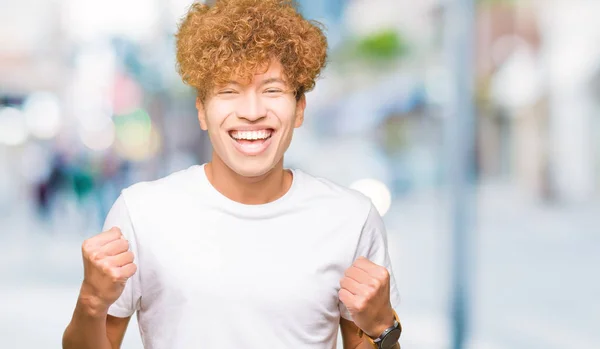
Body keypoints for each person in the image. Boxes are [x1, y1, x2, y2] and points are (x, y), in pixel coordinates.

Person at [62, 0, 402, 348]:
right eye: (228, 91)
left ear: (299, 108)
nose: (252, 112)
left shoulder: (352, 218)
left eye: (272, 90)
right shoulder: (141, 213)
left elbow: (370, 338)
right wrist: (91, 300)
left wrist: (382, 328)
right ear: (202, 112)